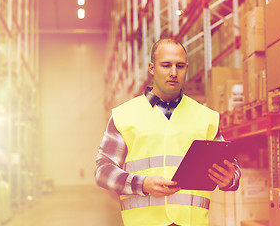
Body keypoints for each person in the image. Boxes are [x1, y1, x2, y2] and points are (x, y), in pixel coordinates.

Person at [95, 38, 241, 226]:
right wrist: (143, 184)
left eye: (179, 66)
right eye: (166, 65)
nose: (173, 72)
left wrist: (230, 179)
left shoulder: (207, 118)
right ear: (151, 68)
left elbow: (232, 168)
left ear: (186, 68)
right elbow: (103, 171)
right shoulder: (124, 116)